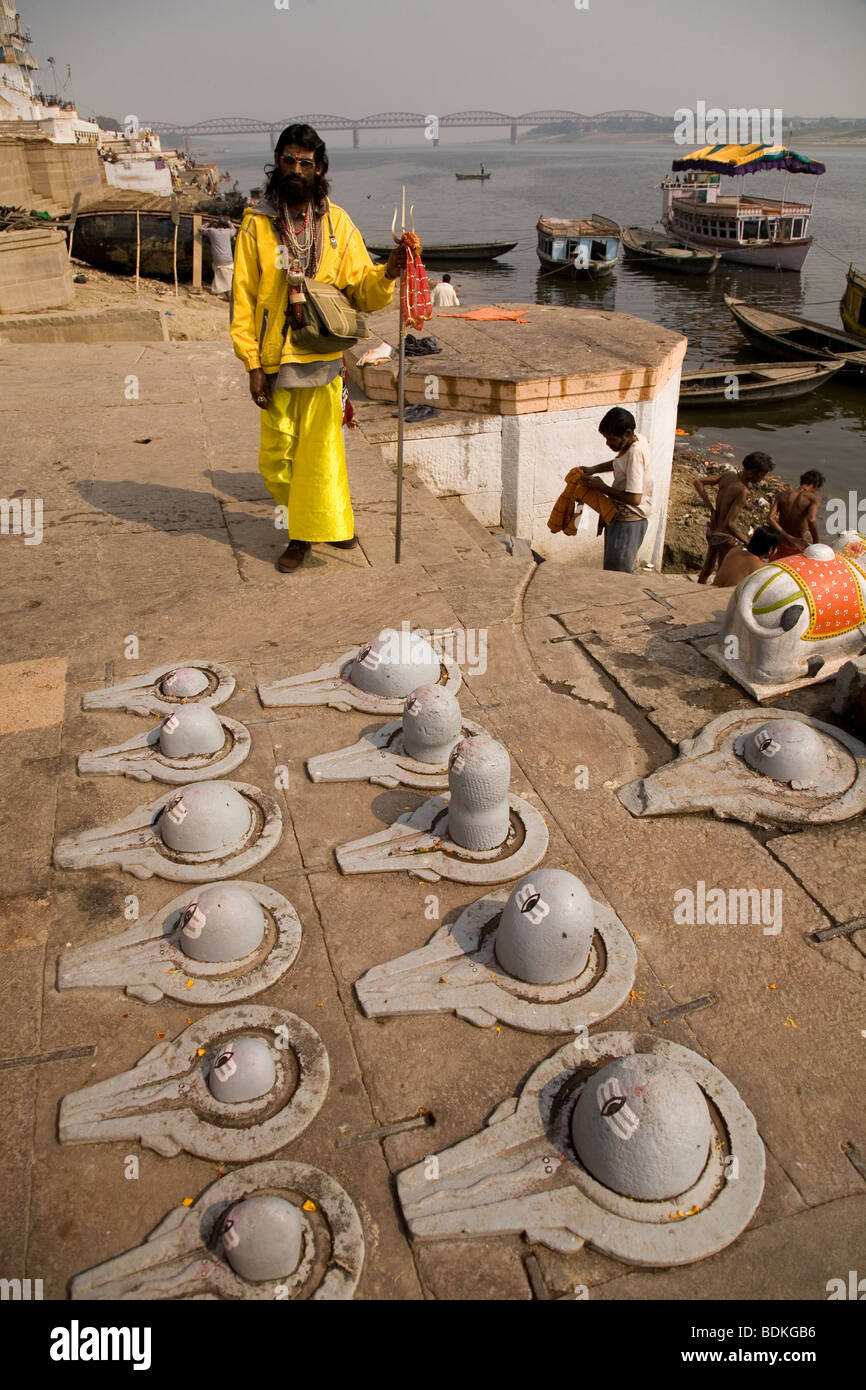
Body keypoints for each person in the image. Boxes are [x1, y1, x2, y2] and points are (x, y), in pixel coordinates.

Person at [231, 123, 405, 572]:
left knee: (321, 452)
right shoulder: (257, 224)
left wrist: (388, 272)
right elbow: (244, 299)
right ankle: (323, 522)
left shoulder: (338, 224)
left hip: (323, 357)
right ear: (278, 163)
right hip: (274, 360)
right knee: (278, 457)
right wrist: (252, 363)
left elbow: (361, 290)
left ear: (319, 167)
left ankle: (304, 534)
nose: (295, 169)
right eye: (288, 160)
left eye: (305, 162)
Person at [580, 407, 654, 573]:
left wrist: (603, 488)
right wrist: (594, 469)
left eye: (611, 439)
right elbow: (618, 463)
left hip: (629, 520)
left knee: (619, 575)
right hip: (619, 517)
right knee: (613, 570)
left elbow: (635, 498)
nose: (608, 443)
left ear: (627, 434)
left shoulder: (636, 453)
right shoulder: (636, 440)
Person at [693, 452, 774, 584]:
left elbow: (698, 482)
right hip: (724, 537)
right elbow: (730, 523)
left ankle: (696, 592)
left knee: (707, 570)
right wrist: (748, 542)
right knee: (723, 573)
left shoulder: (727, 476)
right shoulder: (743, 491)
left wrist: (711, 508)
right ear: (754, 471)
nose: (762, 478)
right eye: (762, 474)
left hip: (712, 530)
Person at [769, 469, 824, 558]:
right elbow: (811, 519)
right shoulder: (813, 498)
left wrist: (789, 537)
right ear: (816, 485)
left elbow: (770, 518)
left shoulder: (782, 494)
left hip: (779, 542)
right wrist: (816, 544)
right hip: (797, 546)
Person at [713, 524, 780, 588]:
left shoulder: (733, 551)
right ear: (770, 550)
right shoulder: (762, 568)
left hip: (713, 592)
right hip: (727, 598)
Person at [202, 218, 237, 299]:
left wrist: (208, 223)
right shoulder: (228, 232)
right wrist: (229, 222)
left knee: (219, 275)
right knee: (228, 277)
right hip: (228, 259)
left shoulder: (212, 231)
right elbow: (234, 230)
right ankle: (227, 293)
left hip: (217, 260)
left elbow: (201, 229)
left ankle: (220, 292)